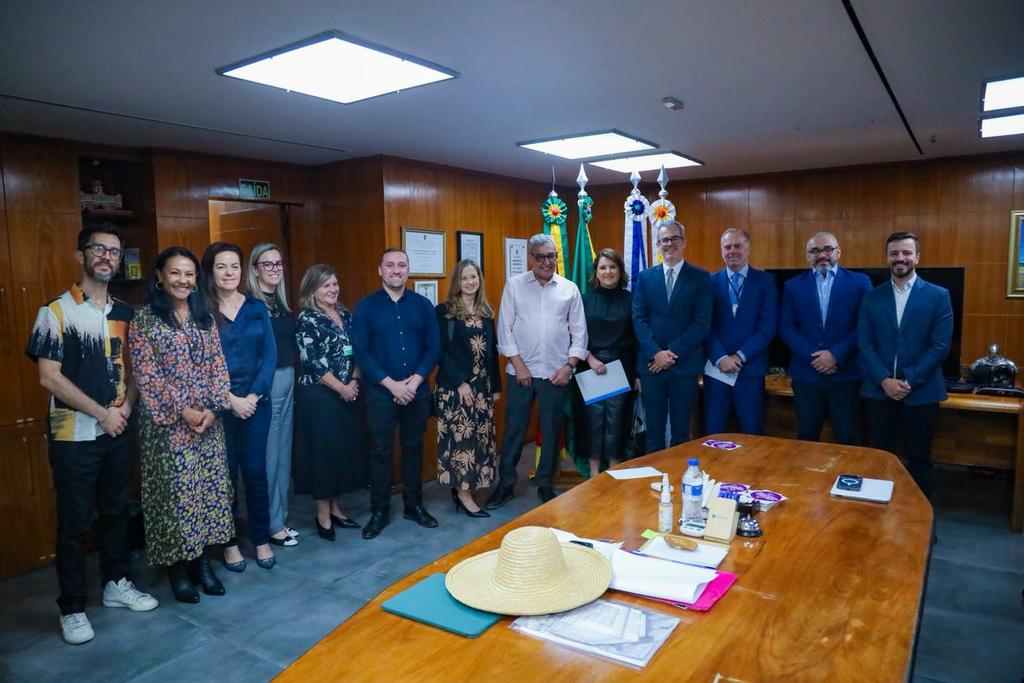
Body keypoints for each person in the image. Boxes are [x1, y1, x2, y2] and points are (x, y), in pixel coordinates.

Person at [26, 224, 158, 645]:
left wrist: (126, 409)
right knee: (75, 523)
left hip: (118, 430)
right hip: (74, 437)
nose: (107, 256)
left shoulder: (126, 314)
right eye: (98, 249)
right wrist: (103, 414)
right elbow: (49, 377)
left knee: (117, 513)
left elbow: (138, 372)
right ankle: (72, 608)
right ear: (80, 255)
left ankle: (116, 584)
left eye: (114, 252)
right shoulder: (56, 311)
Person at [129, 246, 234, 604]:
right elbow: (147, 375)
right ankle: (177, 570)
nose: (183, 280)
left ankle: (202, 563)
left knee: (206, 493)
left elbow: (219, 366)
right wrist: (183, 410)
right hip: (167, 426)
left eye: (189, 274)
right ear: (160, 276)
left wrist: (214, 409)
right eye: (175, 272)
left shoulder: (204, 316)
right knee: (175, 497)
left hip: (208, 423)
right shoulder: (145, 320)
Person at [486, 233, 587, 508]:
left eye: (551, 256)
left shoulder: (569, 289)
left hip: (556, 374)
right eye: (541, 256)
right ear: (531, 258)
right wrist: (519, 366)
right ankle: (506, 485)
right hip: (521, 373)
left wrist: (569, 367)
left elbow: (579, 333)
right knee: (514, 430)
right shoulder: (515, 285)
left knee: (552, 431)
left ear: (556, 257)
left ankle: (545, 484)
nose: (546, 262)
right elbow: (504, 329)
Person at [352, 248, 440, 539]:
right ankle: (379, 511)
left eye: (401, 265)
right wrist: (392, 385)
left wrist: (413, 384)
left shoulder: (423, 305)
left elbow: (433, 347)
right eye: (390, 265)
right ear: (380, 270)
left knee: (414, 448)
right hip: (380, 393)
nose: (396, 270)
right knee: (380, 452)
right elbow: (361, 353)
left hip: (416, 391)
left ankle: (414, 506)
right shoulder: (365, 308)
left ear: (408, 270)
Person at [858, 231, 953, 499]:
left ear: (917, 257)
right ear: (887, 258)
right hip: (879, 392)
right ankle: (878, 515)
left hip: (921, 393)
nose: (900, 258)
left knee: (919, 458)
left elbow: (940, 345)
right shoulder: (872, 296)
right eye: (894, 253)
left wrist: (909, 380)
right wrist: (884, 379)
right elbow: (864, 342)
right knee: (879, 457)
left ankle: (920, 519)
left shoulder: (938, 296)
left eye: (906, 253)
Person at [202, 243, 277, 571]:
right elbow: (202, 363)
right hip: (220, 408)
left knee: (256, 472)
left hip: (257, 404)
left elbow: (270, 356)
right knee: (226, 475)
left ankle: (260, 538)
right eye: (221, 266)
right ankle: (229, 542)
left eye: (234, 266)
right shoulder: (201, 310)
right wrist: (230, 399)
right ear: (211, 271)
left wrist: (253, 397)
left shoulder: (256, 307)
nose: (229, 272)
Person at [293, 264, 366, 541]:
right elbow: (311, 362)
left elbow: (359, 351)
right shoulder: (307, 319)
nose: (332, 289)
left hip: (349, 393)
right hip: (320, 397)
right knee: (322, 455)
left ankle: (336, 508)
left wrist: (354, 381)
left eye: (334, 284)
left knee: (339, 453)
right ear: (312, 290)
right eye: (326, 285)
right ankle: (322, 514)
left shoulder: (346, 315)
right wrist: (341, 388)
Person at [779, 231, 872, 444]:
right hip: (806, 375)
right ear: (807, 255)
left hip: (846, 374)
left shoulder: (860, 282)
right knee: (806, 436)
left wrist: (835, 355)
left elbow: (865, 325)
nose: (822, 255)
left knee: (848, 438)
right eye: (815, 250)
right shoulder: (792, 286)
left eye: (828, 249)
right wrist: (814, 357)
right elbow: (785, 327)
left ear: (838, 252)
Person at [632, 221, 711, 453]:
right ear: (658, 244)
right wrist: (656, 353)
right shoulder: (645, 278)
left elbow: (701, 323)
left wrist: (670, 354)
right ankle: (653, 474)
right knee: (653, 432)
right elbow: (638, 319)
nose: (669, 243)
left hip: (684, 366)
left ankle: (679, 474)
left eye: (674, 238)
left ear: (684, 242)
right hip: (652, 366)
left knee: (681, 432)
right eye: (664, 239)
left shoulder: (700, 277)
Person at [434, 260, 502, 517]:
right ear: (457, 282)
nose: (470, 282)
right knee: (462, 443)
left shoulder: (486, 312)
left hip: (482, 390)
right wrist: (459, 383)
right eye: (464, 278)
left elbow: (492, 353)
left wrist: (496, 387)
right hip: (455, 390)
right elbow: (439, 352)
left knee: (479, 441)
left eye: (474, 277)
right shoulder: (444, 312)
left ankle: (467, 487)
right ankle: (464, 495)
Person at [248, 242, 300, 547]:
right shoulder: (251, 304)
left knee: (283, 454)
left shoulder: (279, 302)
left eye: (278, 263)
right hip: (268, 383)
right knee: (269, 456)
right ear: (255, 270)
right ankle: (270, 523)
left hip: (288, 376)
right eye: (267, 264)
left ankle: (279, 518)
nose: (274, 269)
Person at [703, 228, 777, 435]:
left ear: (748, 248)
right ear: (721, 250)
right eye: (727, 247)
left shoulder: (766, 281)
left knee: (752, 433)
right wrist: (720, 357)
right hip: (717, 371)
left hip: (750, 370)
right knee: (714, 433)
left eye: (738, 246)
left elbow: (768, 326)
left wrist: (740, 356)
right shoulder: (709, 282)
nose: (732, 251)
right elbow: (704, 325)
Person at [579, 248, 637, 476]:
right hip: (591, 366)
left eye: (612, 267)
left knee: (617, 423)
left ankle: (614, 472)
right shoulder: (584, 300)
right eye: (603, 267)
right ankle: (594, 475)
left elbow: (638, 337)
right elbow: (575, 333)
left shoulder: (631, 299)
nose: (608, 271)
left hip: (622, 368)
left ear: (620, 270)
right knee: (591, 423)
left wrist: (638, 374)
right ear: (596, 272)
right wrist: (589, 358)